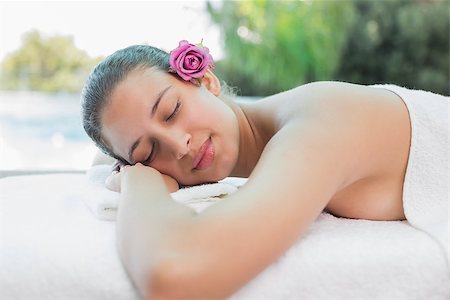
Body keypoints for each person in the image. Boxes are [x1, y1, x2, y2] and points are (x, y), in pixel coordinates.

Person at [81, 41, 447, 299]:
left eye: (172, 111)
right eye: (149, 150)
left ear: (205, 80)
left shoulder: (318, 124)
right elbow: (100, 163)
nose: (179, 145)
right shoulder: (274, 129)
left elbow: (174, 274)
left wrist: (140, 181)